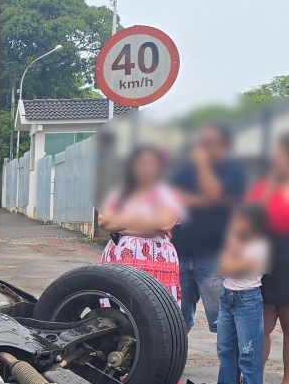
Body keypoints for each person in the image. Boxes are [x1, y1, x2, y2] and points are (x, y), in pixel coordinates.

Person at [171, 123, 247, 333]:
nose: (203, 147)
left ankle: (227, 357)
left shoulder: (233, 171)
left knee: (221, 321)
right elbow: (172, 196)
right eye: (201, 142)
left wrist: (203, 168)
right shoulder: (185, 169)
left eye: (209, 143)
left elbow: (215, 196)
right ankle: (177, 354)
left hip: (211, 255)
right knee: (177, 319)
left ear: (224, 145)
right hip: (179, 252)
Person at [97, 145, 184, 302]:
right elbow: (103, 220)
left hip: (157, 262)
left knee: (156, 308)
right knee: (118, 306)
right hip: (119, 260)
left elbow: (163, 225)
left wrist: (123, 226)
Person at [212, 205, 269, 384]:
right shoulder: (233, 242)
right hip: (227, 297)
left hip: (248, 299)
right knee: (225, 346)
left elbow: (233, 269)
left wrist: (231, 248)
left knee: (248, 349)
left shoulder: (260, 246)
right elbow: (220, 266)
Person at [247, 132, 289, 384]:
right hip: (264, 265)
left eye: (279, 153)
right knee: (261, 326)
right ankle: (253, 380)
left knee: (288, 325)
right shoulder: (263, 185)